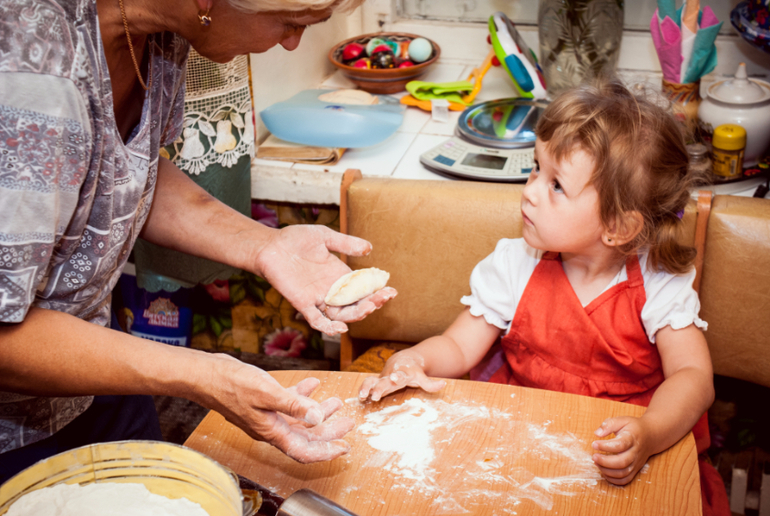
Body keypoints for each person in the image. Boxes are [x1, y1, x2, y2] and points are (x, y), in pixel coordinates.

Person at [0, 0, 398, 482]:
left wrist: (264, 246)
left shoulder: (162, 34)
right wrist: (204, 376)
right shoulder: (31, 78)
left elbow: (123, 170)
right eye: (291, 23)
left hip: (94, 369)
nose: (292, 42)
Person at [358, 80, 730, 515]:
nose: (530, 191)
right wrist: (415, 361)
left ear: (619, 226)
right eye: (537, 168)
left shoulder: (660, 283)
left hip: (623, 458)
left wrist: (648, 433)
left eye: (556, 186)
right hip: (523, 447)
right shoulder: (516, 263)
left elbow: (692, 377)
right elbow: (459, 346)